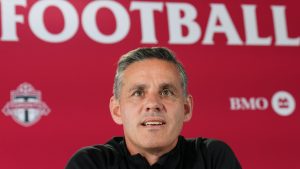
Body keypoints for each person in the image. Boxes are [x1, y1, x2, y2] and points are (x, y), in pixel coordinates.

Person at [65, 47, 242, 169]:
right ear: (117, 110)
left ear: (186, 108)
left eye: (166, 92)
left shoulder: (212, 158)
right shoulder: (92, 163)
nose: (153, 104)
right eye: (138, 93)